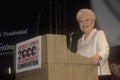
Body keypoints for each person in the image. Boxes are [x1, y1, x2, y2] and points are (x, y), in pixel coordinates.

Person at [76, 8, 111, 80]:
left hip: (99, 75)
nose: (84, 23)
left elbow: (105, 50)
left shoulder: (99, 34)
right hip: (85, 76)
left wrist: (98, 56)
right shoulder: (79, 41)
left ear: (93, 22)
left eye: (87, 20)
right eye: (81, 21)